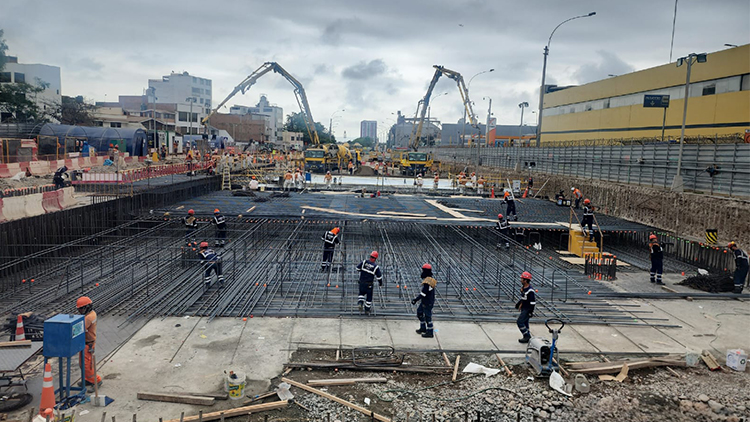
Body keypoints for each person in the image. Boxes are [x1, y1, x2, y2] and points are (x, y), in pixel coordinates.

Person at [76, 296, 102, 389]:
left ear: (87, 307)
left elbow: (79, 329)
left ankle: (96, 380)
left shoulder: (88, 318)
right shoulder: (92, 313)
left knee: (87, 365)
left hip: (88, 344)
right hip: (86, 342)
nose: (80, 312)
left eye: (81, 310)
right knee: (82, 363)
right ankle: (87, 379)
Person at [412, 263, 437, 338]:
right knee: (419, 313)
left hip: (428, 302)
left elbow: (423, 293)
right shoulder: (429, 279)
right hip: (425, 301)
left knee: (428, 317)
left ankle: (430, 332)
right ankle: (423, 328)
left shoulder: (428, 282)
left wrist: (415, 300)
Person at [515, 272, 536, 343]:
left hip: (527, 309)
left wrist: (530, 311)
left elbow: (533, 302)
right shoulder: (524, 288)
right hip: (524, 308)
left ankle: (526, 335)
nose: (521, 280)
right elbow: (523, 298)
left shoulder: (530, 291)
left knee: (520, 322)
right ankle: (527, 336)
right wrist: (519, 304)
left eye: (522, 279)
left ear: (526, 280)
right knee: (525, 323)